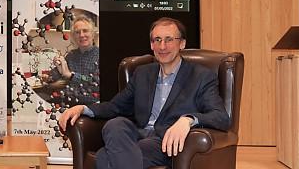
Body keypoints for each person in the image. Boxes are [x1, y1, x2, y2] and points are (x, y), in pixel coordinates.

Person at [59, 17, 230, 168]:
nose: (162, 46)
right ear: (151, 44)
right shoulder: (142, 73)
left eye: (169, 39)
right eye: (157, 40)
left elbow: (221, 117)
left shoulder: (200, 76)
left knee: (104, 156)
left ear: (182, 43)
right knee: (115, 124)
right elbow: (115, 106)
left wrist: (188, 120)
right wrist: (83, 108)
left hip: (165, 142)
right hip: (137, 134)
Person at [41, 15, 100, 106]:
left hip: (88, 103)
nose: (81, 35)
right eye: (77, 32)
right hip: (68, 99)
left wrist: (71, 75)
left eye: (85, 31)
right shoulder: (71, 55)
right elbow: (59, 74)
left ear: (92, 34)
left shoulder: (99, 56)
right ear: (74, 37)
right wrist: (49, 76)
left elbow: (95, 82)